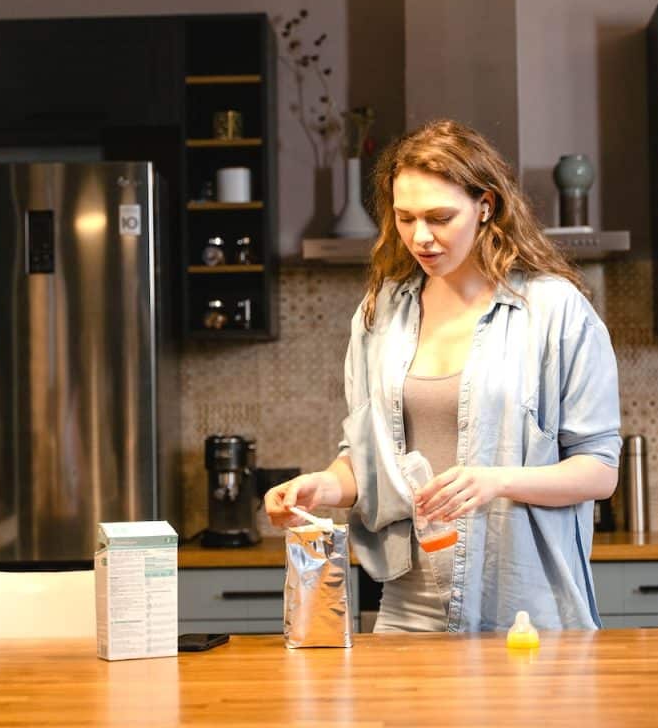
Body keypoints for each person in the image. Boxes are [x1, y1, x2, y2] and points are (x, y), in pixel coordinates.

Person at [265, 119, 621, 632]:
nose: (421, 237)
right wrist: (321, 487)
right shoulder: (381, 313)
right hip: (408, 603)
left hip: (524, 605)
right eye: (405, 218)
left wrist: (495, 481)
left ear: (486, 206)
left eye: (439, 217)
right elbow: (368, 462)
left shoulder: (555, 310)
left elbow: (599, 472)